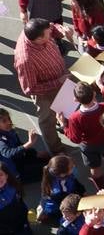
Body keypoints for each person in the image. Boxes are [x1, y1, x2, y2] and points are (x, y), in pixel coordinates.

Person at [13, 17, 69, 157]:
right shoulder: (25, 59)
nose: (51, 33)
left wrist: (62, 30)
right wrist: (58, 82)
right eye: (48, 34)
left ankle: (64, 124)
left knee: (66, 105)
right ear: (38, 39)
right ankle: (56, 149)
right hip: (45, 92)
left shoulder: (36, 29)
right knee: (47, 120)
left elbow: (51, 26)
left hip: (60, 77)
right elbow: (29, 88)